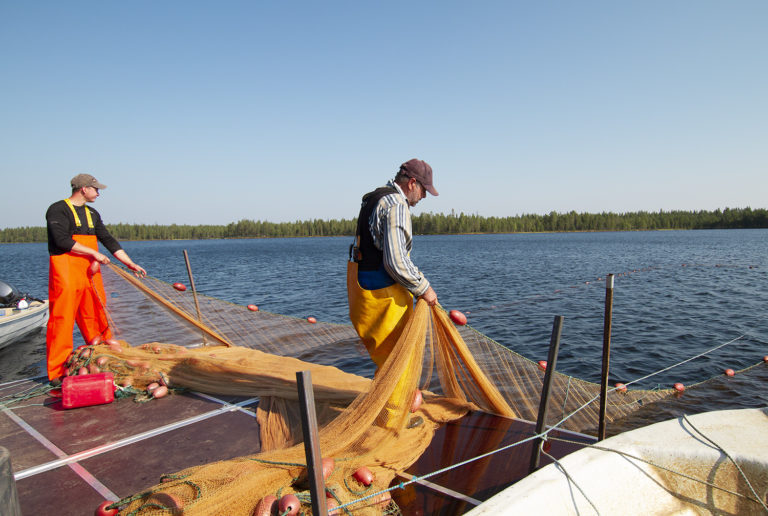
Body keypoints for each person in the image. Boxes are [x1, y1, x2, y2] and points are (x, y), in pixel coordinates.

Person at [45, 174, 146, 382]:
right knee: (62, 319)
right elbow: (61, 240)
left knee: (97, 316)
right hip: (66, 271)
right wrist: (93, 253)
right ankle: (56, 372)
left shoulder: (92, 213)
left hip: (90, 273)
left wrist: (130, 263)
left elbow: (108, 240)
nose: (98, 193)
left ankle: (104, 360)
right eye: (96, 189)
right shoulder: (58, 209)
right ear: (83, 189)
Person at [347, 158, 439, 371]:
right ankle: (396, 405)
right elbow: (395, 262)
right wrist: (425, 289)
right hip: (384, 299)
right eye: (424, 190)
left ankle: (388, 401)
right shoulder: (397, 205)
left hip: (363, 297)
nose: (424, 196)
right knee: (399, 364)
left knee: (386, 362)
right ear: (412, 183)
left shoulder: (373, 198)